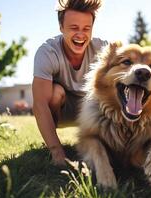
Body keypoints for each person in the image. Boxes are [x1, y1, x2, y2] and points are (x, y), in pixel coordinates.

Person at [32, 0, 107, 166]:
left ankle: (113, 147)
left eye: (86, 29)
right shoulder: (48, 52)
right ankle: (54, 146)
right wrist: (56, 151)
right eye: (74, 28)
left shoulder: (103, 50)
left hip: (92, 110)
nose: (80, 34)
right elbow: (40, 105)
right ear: (61, 27)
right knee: (55, 92)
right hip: (62, 111)